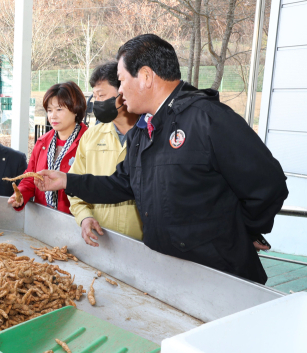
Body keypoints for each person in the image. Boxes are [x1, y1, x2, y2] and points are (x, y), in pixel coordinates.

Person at [35, 34, 288, 285]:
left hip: (218, 275)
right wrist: (67, 180)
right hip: (167, 272)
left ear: (145, 77)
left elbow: (269, 184)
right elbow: (122, 183)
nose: (120, 92)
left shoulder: (208, 119)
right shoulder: (144, 131)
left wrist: (242, 229)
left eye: (122, 81)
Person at [68, 62, 143, 243]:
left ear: (124, 91)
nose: (98, 103)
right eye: (95, 97)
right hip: (101, 239)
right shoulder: (91, 137)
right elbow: (75, 185)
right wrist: (84, 216)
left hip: (143, 243)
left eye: (102, 96)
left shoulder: (150, 134)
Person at [7, 82, 87, 214]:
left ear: (76, 109)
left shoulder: (88, 141)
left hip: (76, 221)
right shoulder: (43, 142)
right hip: (44, 218)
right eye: (49, 110)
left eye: (59, 109)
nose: (52, 116)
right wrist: (20, 195)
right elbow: (30, 178)